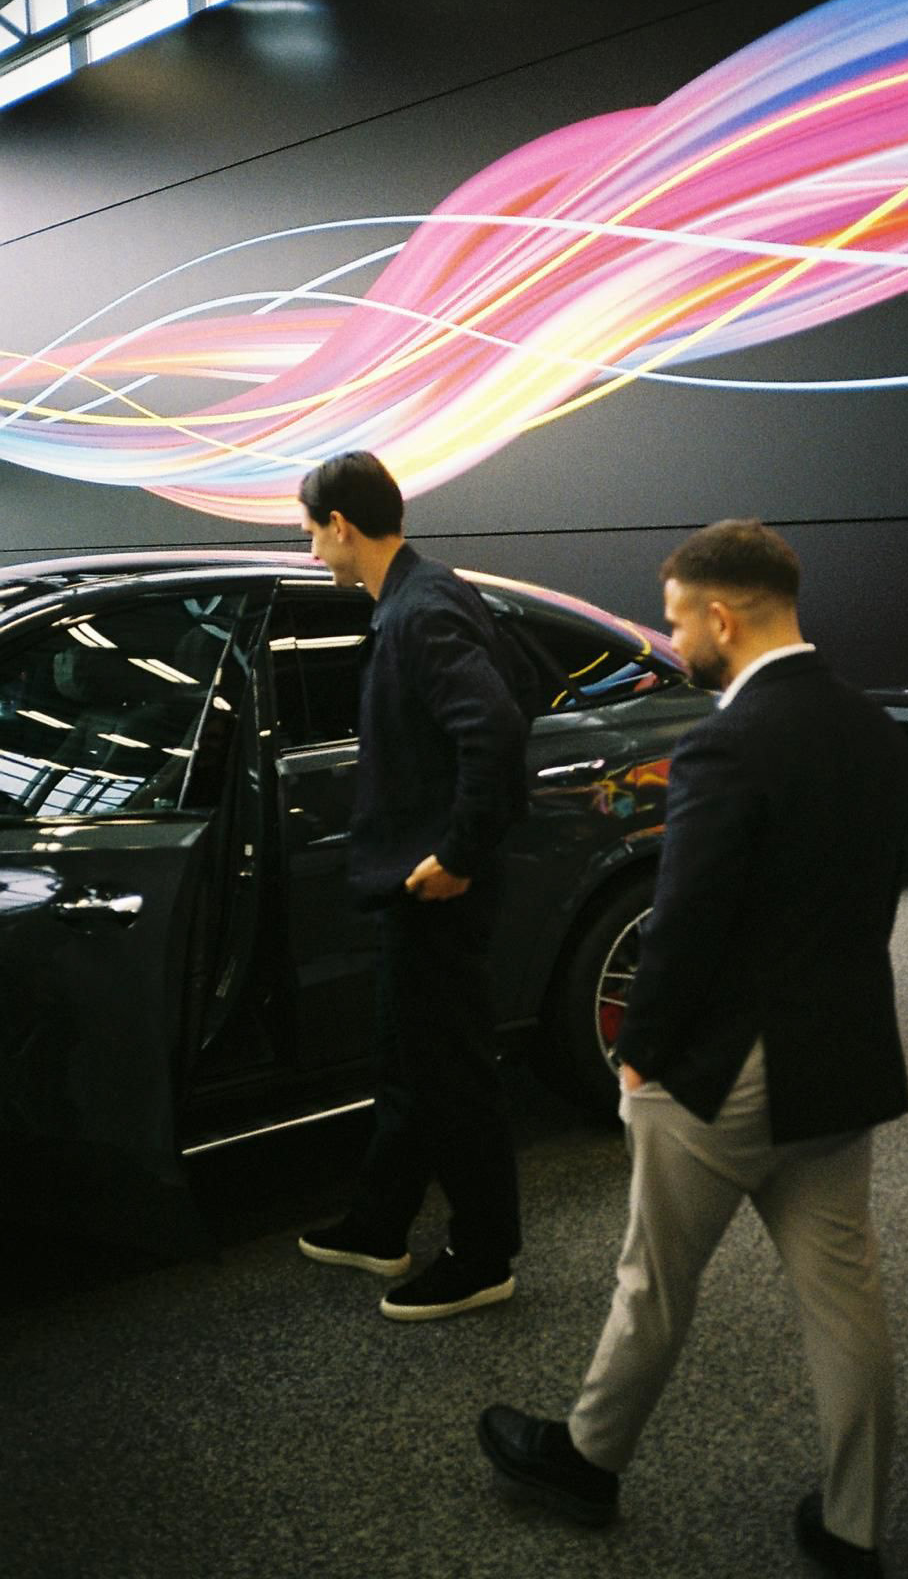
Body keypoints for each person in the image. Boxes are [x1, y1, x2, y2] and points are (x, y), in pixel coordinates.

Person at [477, 520, 908, 1577]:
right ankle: (854, 1525)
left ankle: (587, 1462)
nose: (672, 642)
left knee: (654, 1280)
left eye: (676, 621)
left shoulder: (726, 741)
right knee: (845, 1295)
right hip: (842, 1051)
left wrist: (638, 1055)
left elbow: (685, 920)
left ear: (722, 616)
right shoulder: (876, 726)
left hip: (727, 1066)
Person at [296, 450, 528, 1322]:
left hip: (438, 889)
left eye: (310, 533)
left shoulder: (418, 612)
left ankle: (484, 1255)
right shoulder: (426, 594)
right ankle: (380, 1223)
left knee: (452, 1075)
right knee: (407, 1061)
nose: (311, 550)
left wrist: (458, 853)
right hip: (417, 884)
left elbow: (493, 727)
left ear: (341, 525)